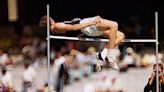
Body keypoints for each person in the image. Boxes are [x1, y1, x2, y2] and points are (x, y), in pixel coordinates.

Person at [39, 15, 125, 70]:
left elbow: (74, 26)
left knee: (120, 36)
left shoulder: (56, 30)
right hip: (88, 26)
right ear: (50, 20)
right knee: (114, 25)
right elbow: (74, 27)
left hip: (87, 28)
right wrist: (90, 22)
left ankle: (102, 55)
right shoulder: (57, 26)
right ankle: (109, 55)